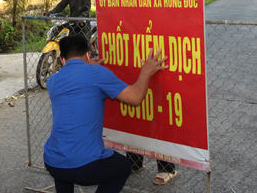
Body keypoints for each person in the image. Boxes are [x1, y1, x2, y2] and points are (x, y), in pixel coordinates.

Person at [43, 34, 168, 193]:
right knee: (123, 167)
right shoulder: (97, 73)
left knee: (65, 169)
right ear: (88, 54)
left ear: (62, 60)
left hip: (52, 161)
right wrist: (146, 72)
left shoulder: (52, 81)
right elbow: (135, 97)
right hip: (84, 167)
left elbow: (74, 78)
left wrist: (86, 65)